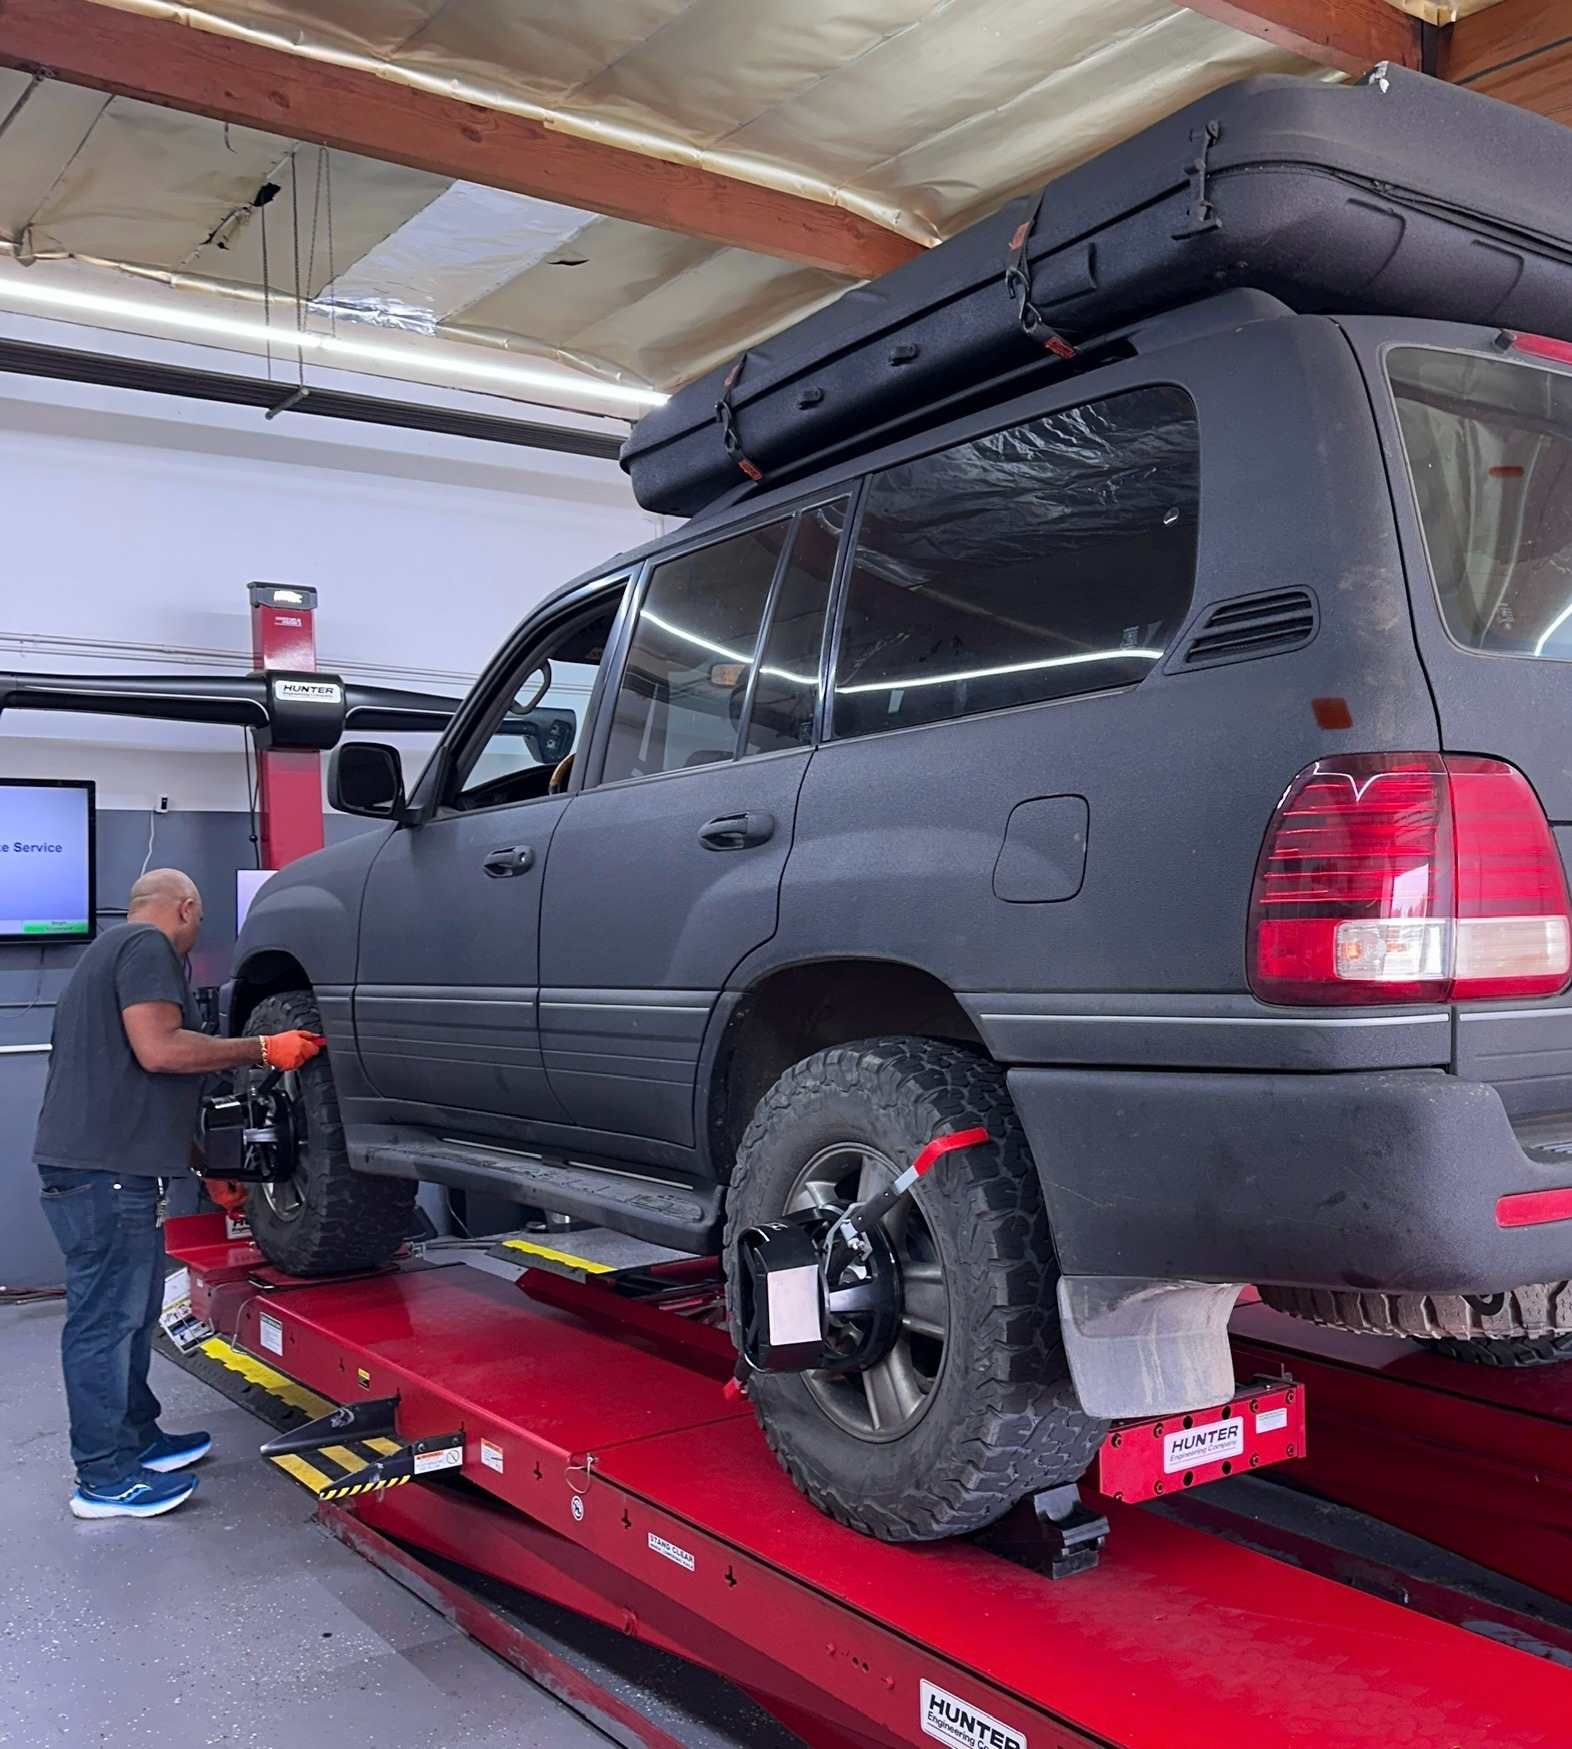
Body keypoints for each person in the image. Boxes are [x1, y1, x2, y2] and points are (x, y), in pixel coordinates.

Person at [33, 868, 324, 1520]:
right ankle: (105, 1478)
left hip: (103, 1169)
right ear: (185, 906)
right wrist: (261, 1047)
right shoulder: (147, 947)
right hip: (103, 1177)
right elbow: (159, 1051)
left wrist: (201, 1165)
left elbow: (134, 1083)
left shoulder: (101, 957)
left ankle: (138, 1439)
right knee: (106, 1323)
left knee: (129, 1316)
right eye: (198, 919)